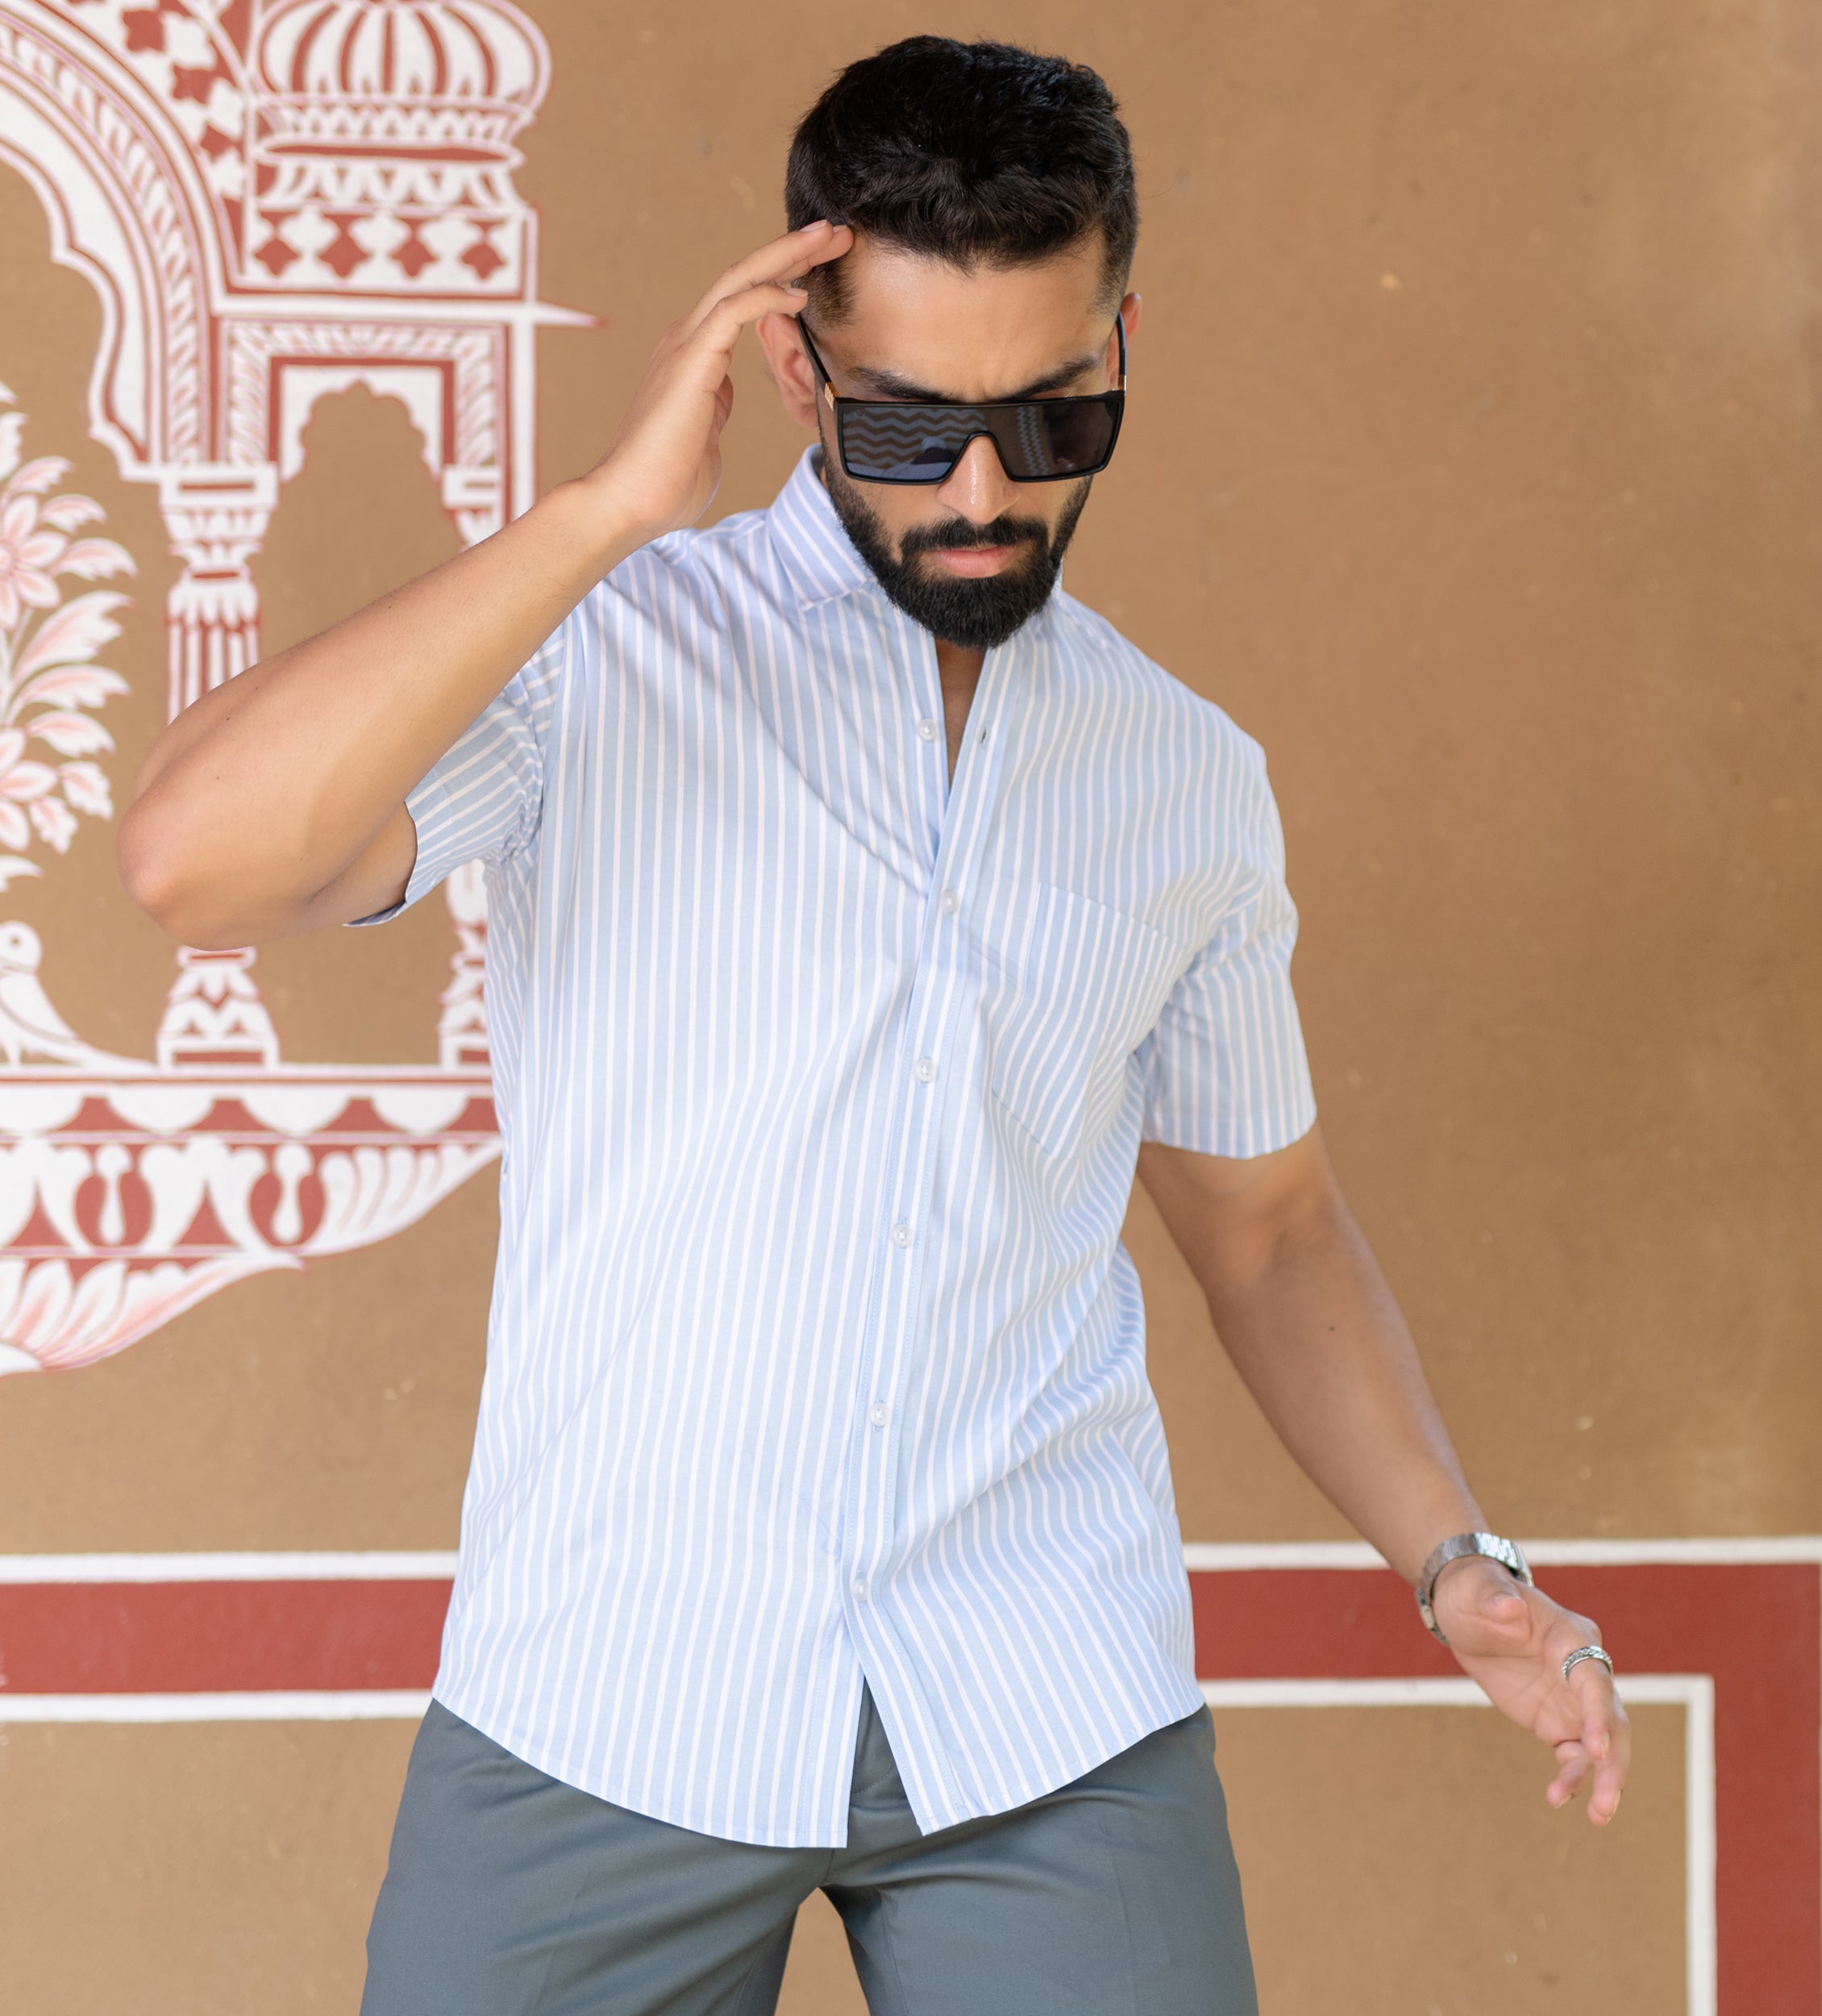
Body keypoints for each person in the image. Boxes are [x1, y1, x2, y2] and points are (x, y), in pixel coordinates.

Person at [119, 35, 1631, 2016]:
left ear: (1118, 344)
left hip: (1042, 1702)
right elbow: (194, 864)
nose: (984, 492)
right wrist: (600, 513)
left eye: (1049, 413)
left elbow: (1265, 1231)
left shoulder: (1178, 775)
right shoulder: (599, 663)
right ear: (792, 367)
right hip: (609, 1686)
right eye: (911, 426)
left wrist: (1456, 1563)